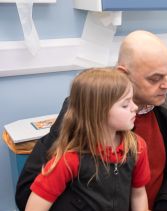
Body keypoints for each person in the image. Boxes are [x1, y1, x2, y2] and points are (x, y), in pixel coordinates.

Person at [16, 30, 167, 211]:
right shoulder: (84, 111)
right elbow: (27, 190)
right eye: (155, 78)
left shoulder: (165, 106)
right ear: (124, 73)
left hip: (160, 201)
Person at [25, 68, 150, 211]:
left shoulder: (136, 147)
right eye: (125, 104)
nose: (135, 107)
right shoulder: (69, 160)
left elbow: (138, 195)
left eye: (132, 100)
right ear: (98, 113)